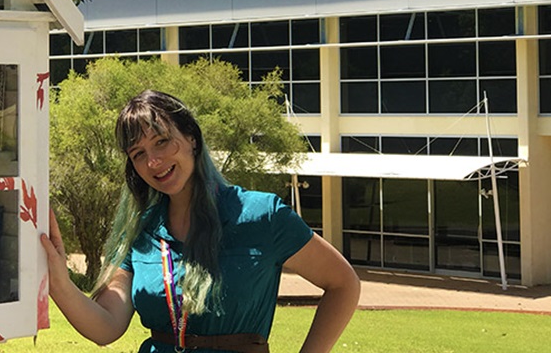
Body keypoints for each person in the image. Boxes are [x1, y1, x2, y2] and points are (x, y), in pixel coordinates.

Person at [40, 90, 360, 353]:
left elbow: (343, 283)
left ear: (192, 137)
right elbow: (107, 326)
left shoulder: (263, 215)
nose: (153, 161)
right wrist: (59, 283)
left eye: (162, 141)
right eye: (138, 153)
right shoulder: (139, 231)